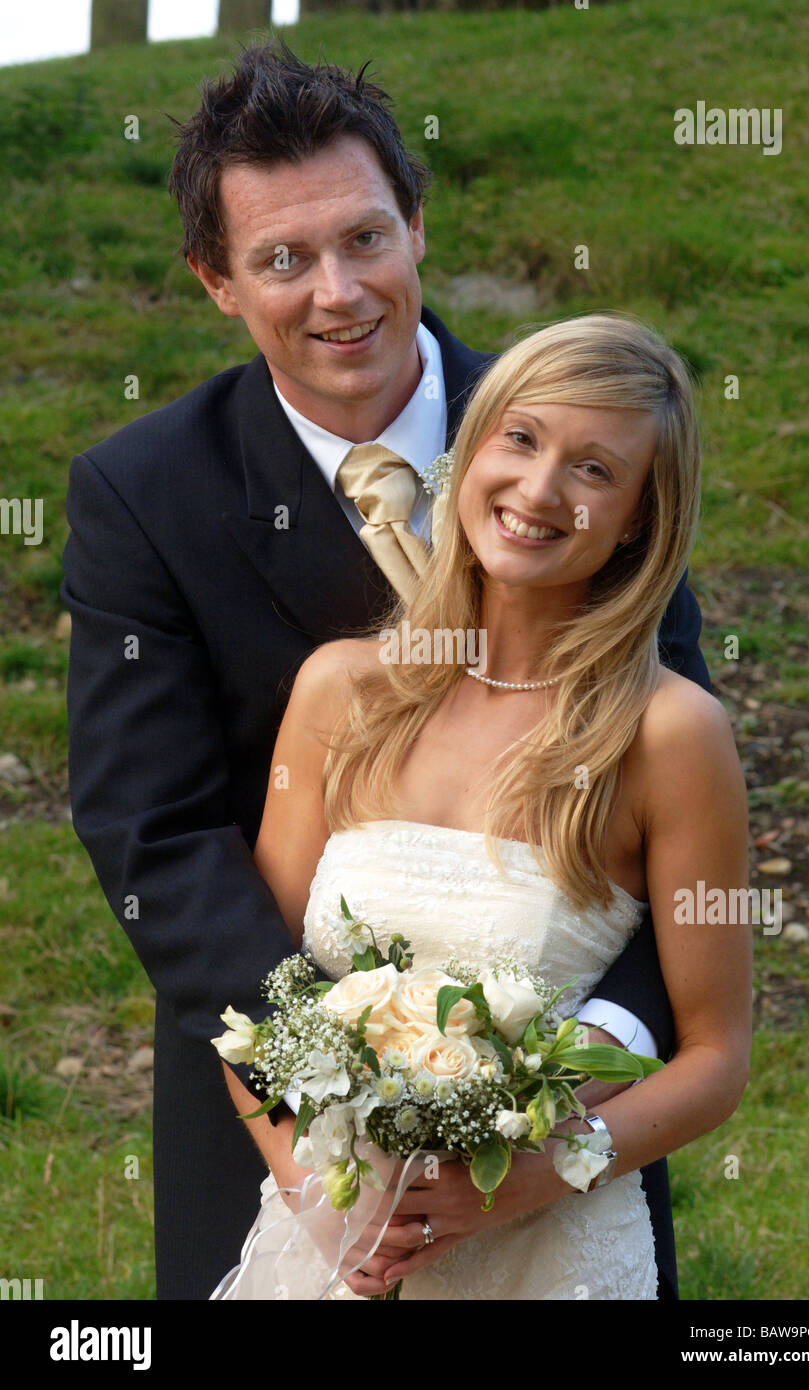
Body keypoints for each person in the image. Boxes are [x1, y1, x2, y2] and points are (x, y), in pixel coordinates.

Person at [62, 41, 710, 1300]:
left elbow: (667, 788)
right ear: (217, 282)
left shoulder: (576, 446)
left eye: (365, 238)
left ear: (415, 226)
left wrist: (565, 1079)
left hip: (557, 1111)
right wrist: (327, 1116)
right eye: (281, 260)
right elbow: (159, 833)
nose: (337, 292)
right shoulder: (143, 495)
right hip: (273, 1110)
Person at [214, 314, 752, 1300]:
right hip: (334, 1243)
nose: (538, 490)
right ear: (467, 455)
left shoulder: (668, 735)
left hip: (545, 1255)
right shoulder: (339, 691)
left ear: (637, 514)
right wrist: (327, 1208)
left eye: (593, 470)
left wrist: (507, 1188)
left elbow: (714, 1056)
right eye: (520, 438)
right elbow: (254, 997)